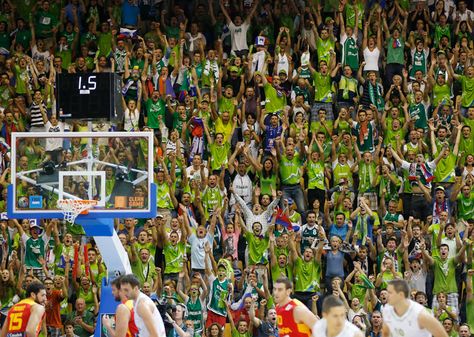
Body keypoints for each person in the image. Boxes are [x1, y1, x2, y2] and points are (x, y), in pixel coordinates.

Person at [382, 279, 448, 337]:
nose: (386, 295)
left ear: (400, 295)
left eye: (390, 293)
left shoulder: (421, 315)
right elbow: (386, 333)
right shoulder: (387, 309)